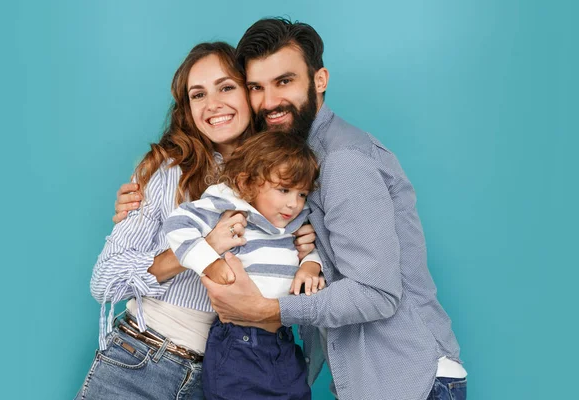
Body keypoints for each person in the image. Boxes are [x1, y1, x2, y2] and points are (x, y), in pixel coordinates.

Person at [117, 18, 470, 400]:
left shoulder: (343, 162)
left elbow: (376, 293)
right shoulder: (290, 161)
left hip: (408, 380)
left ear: (319, 80)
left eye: (284, 82)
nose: (269, 102)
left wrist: (270, 310)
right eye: (256, 87)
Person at [76, 41, 318, 400]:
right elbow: (105, 283)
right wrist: (201, 249)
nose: (213, 105)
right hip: (141, 360)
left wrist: (307, 254)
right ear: (187, 109)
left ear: (250, 94)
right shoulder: (167, 171)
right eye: (197, 94)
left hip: (227, 373)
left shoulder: (287, 178)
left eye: (226, 87)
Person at [163, 130, 325, 400]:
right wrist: (209, 263)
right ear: (247, 182)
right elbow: (178, 225)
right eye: (284, 189)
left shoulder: (294, 223)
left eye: (301, 194)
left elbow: (312, 249)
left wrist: (310, 266)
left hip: (283, 342)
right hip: (238, 344)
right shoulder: (230, 207)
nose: (293, 203)